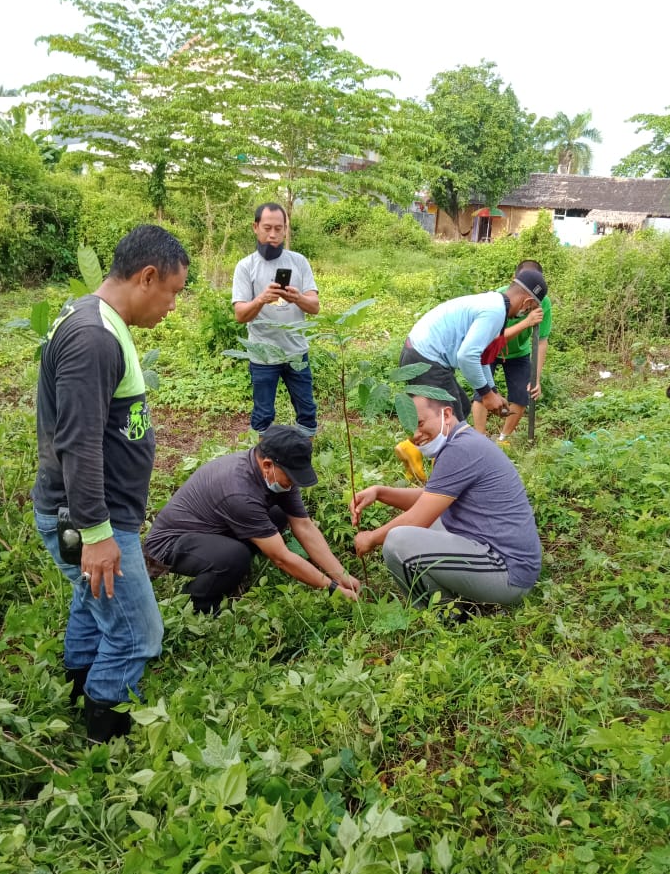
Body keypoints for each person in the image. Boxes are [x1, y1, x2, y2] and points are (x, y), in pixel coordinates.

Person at [32, 225, 189, 743]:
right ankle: (105, 739)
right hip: (88, 519)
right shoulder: (93, 338)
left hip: (96, 514)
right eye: (172, 293)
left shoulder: (97, 319)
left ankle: (78, 693)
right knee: (138, 632)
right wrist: (96, 535)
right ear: (147, 277)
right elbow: (78, 443)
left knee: (91, 601)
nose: (172, 307)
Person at [351, 395, 541, 609]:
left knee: (397, 542)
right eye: (409, 428)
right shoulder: (461, 441)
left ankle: (442, 616)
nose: (414, 435)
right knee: (427, 522)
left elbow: (417, 518)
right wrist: (380, 492)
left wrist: (371, 538)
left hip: (507, 572)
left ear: (447, 414)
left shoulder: (460, 449)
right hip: (496, 553)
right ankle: (451, 603)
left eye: (420, 423)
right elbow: (430, 499)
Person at [143, 425, 360, 612]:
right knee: (234, 556)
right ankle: (198, 602)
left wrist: (340, 574)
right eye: (291, 478)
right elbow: (281, 558)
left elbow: (303, 526)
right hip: (170, 545)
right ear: (267, 465)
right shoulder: (239, 492)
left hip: (214, 529)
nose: (293, 484)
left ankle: (230, 570)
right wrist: (332, 589)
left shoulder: (279, 473)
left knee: (278, 515)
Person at [394, 269, 547, 481]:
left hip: (423, 355)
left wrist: (492, 390)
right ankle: (443, 479)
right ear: (527, 302)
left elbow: (481, 356)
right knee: (453, 423)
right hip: (426, 358)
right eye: (530, 308)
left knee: (462, 408)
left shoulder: (494, 304)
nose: (526, 312)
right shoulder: (495, 312)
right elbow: (467, 356)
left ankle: (414, 450)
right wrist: (486, 394)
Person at [232, 203, 320, 438]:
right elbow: (240, 314)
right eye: (267, 228)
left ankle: (304, 451)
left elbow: (315, 306)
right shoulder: (245, 267)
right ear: (255, 227)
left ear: (285, 230)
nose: (273, 234)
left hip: (296, 352)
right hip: (263, 354)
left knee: (307, 411)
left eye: (279, 229)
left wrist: (297, 297)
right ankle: (262, 456)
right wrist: (261, 299)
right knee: (263, 414)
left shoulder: (299, 262)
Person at [491, 259, 553, 445]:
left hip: (519, 353)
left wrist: (536, 378)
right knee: (482, 393)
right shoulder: (499, 299)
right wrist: (526, 322)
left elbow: (541, 341)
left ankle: (503, 439)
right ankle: (479, 439)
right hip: (491, 350)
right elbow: (493, 339)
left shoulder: (542, 303)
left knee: (523, 393)